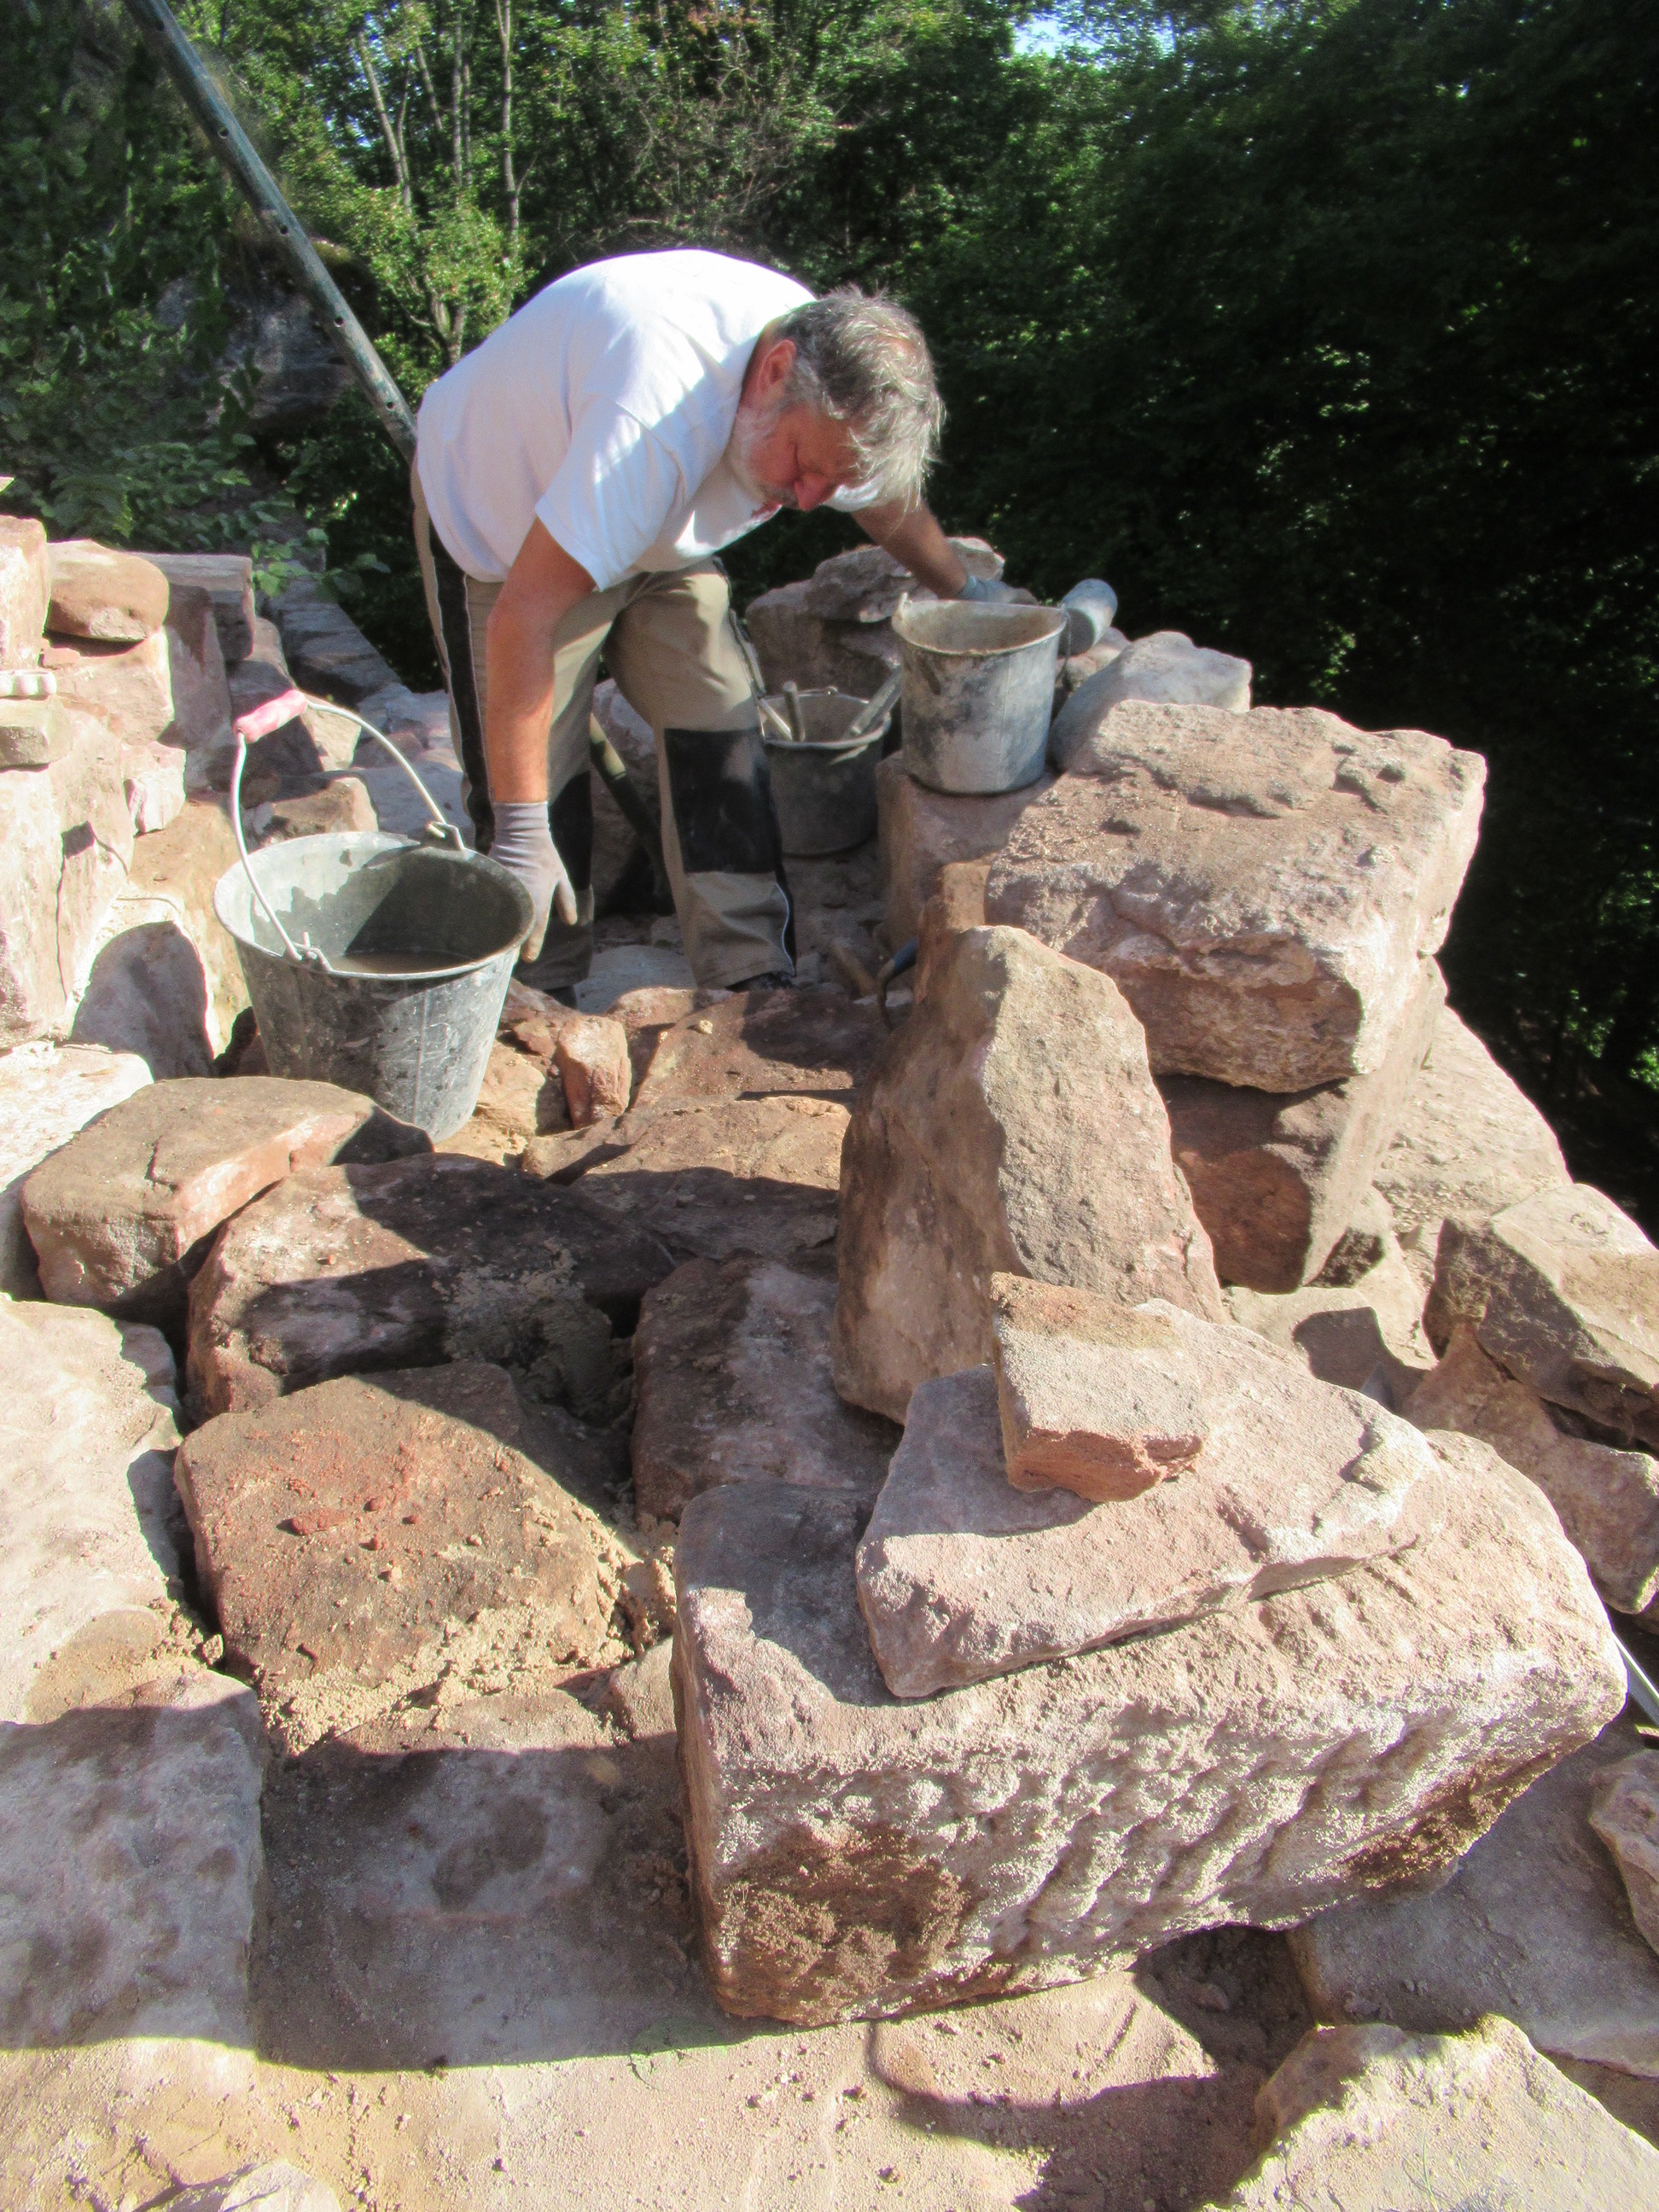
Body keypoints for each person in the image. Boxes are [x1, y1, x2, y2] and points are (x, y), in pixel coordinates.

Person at [410, 247, 1011, 997]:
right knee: (537, 779)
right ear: (774, 371)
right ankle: (540, 991)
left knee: (718, 722)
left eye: (829, 481)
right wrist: (522, 833)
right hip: (508, 528)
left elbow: (881, 497)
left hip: (657, 531)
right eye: (803, 466)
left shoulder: (829, 381)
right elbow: (522, 619)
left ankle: (747, 973)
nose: (807, 500)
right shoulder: (653, 417)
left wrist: (966, 590)